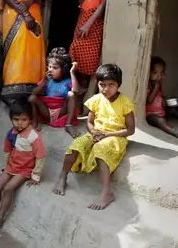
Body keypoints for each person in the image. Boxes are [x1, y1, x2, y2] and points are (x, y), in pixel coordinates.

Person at [53, 64, 135, 210]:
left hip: (116, 136)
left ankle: (106, 193)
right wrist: (93, 132)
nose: (106, 89)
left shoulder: (125, 102)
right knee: (76, 145)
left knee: (101, 151)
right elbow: (89, 123)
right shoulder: (96, 99)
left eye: (111, 85)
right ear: (97, 83)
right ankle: (63, 177)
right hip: (98, 133)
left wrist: (108, 134)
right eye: (102, 85)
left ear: (119, 85)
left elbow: (130, 130)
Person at [0, 101, 46, 229]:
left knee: (8, 188)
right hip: (12, 166)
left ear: (30, 119)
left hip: (24, 170)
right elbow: (7, 151)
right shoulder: (11, 134)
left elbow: (40, 156)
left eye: (24, 119)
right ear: (11, 119)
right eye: (16, 119)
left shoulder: (34, 137)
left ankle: (0, 217)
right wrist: (6, 166)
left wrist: (36, 175)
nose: (19, 123)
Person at [69, 0, 111, 94]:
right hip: (84, 14)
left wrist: (89, 23)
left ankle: (85, 87)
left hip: (94, 19)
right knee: (75, 49)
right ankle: (79, 85)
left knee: (90, 55)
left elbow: (103, 3)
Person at [29, 47, 81, 137]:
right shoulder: (47, 80)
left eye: (55, 68)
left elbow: (76, 91)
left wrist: (72, 72)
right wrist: (44, 82)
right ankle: (34, 123)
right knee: (31, 98)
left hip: (61, 111)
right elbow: (33, 93)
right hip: (47, 112)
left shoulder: (68, 81)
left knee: (71, 94)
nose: (51, 70)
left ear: (63, 69)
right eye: (49, 66)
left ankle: (68, 125)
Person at [146, 56, 178, 142]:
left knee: (177, 101)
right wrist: (156, 87)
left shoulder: (158, 83)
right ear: (148, 73)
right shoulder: (149, 85)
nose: (158, 76)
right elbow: (149, 100)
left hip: (161, 110)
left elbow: (160, 97)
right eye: (155, 73)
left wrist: (164, 101)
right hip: (151, 114)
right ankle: (176, 133)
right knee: (160, 121)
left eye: (161, 73)